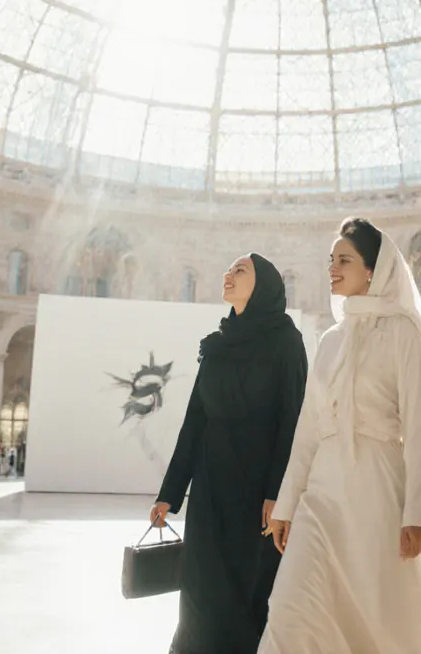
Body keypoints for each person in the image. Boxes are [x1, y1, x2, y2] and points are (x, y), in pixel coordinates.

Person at [261, 219, 421, 654]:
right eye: (331, 260)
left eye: (344, 260)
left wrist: (419, 512)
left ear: (374, 269)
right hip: (321, 496)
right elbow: (309, 428)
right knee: (290, 609)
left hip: (379, 492)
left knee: (383, 622)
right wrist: (288, 503)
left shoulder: (403, 331)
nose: (333, 268)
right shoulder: (331, 340)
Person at [149, 253, 308, 654]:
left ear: (264, 285)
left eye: (240, 270)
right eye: (229, 269)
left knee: (249, 591)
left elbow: (293, 421)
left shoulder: (286, 340)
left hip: (256, 495)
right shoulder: (216, 345)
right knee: (201, 589)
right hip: (210, 488)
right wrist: (169, 493)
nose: (228, 275)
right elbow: (194, 421)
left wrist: (278, 492)